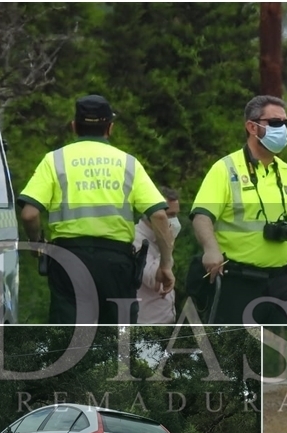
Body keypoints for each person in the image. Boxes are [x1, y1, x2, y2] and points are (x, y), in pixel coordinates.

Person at [18, 95, 175, 324]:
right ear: (109, 128)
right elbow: (160, 215)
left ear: (74, 127)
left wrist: (37, 244)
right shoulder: (128, 163)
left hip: (68, 261)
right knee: (116, 342)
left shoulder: (54, 160)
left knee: (68, 340)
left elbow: (29, 213)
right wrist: (165, 264)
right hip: (116, 264)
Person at [189, 95, 287, 324]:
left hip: (282, 283)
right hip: (238, 283)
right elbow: (201, 216)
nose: (283, 130)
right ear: (252, 127)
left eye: (285, 124)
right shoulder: (225, 169)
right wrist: (210, 249)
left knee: (274, 353)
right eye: (275, 123)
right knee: (235, 351)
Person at [134, 186, 182, 324]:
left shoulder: (159, 239)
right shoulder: (135, 240)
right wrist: (168, 243)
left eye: (176, 214)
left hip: (167, 323)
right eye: (170, 215)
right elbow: (156, 280)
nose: (175, 221)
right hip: (145, 327)